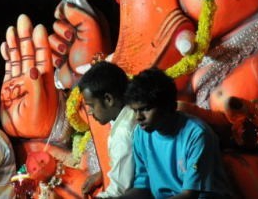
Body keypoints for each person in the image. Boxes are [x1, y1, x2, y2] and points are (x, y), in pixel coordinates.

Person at [114, 68, 232, 199]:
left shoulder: (197, 135)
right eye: (135, 110)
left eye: (145, 109)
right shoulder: (140, 135)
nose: (138, 117)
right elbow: (142, 187)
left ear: (169, 106)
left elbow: (189, 195)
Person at [78, 60, 136, 198]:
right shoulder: (127, 113)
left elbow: (119, 191)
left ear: (108, 99)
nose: (90, 112)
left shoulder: (124, 132)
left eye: (91, 105)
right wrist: (102, 174)